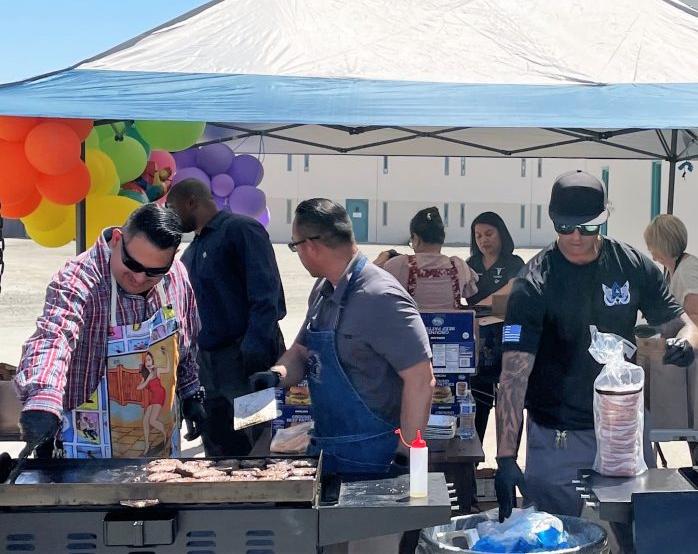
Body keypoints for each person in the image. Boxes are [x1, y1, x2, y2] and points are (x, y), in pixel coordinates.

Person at [494, 170, 698, 551]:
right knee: (551, 540)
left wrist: (687, 344)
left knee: (639, 538)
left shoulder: (631, 265)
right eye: (565, 227)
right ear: (552, 219)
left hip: (623, 432)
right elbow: (513, 376)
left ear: (604, 219)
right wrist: (506, 458)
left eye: (588, 227)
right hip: (558, 436)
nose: (576, 237)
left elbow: (683, 324)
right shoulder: (533, 283)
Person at [249, 198, 434, 474]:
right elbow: (301, 351)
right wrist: (276, 375)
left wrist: (406, 456)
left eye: (294, 246)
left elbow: (421, 380)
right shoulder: (322, 290)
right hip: (329, 450)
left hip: (376, 458)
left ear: (309, 246)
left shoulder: (380, 297)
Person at [14, 203, 205, 459]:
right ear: (117, 240)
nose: (139, 278)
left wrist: (191, 391)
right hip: (83, 448)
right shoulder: (79, 279)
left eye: (154, 272)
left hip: (158, 448)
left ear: (173, 257)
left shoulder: (176, 275)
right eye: (132, 264)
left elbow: (186, 339)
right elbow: (54, 337)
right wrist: (43, 399)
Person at [166, 179, 287, 457]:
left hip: (243, 361)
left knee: (260, 445)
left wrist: (254, 349)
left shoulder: (240, 229)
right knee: (218, 449)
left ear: (191, 201)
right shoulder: (191, 252)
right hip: (208, 368)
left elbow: (266, 293)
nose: (170, 216)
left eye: (172, 208)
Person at [466, 212, 525, 441]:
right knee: (477, 405)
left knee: (508, 407)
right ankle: (473, 456)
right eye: (478, 235)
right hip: (479, 345)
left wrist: (479, 308)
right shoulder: (470, 265)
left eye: (489, 233)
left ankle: (507, 458)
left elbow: (513, 292)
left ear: (501, 233)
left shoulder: (514, 263)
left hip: (508, 341)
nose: (483, 240)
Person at [644, 214, 698, 334]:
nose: (649, 250)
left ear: (659, 248)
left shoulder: (686, 273)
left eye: (651, 246)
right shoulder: (676, 268)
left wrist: (661, 328)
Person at [383, 206, 478, 310]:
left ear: (416, 239)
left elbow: (372, 282)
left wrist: (384, 256)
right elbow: (469, 292)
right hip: (451, 321)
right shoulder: (459, 265)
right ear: (442, 238)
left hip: (413, 320)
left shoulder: (399, 264)